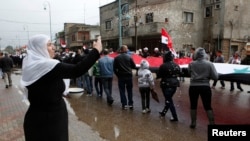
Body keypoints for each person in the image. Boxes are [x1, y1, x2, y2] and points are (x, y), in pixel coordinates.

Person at [20, 34, 102, 141]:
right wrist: (96, 50)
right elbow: (77, 70)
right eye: (49, 45)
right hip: (51, 121)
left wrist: (60, 93)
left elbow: (44, 88)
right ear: (39, 48)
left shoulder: (30, 65)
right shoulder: (47, 65)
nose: (54, 47)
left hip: (35, 117)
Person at [188, 47, 218, 129]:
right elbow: (215, 77)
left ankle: (193, 123)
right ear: (205, 54)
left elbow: (188, 73)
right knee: (207, 106)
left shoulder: (191, 64)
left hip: (193, 87)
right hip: (205, 87)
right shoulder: (210, 64)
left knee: (193, 105)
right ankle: (212, 123)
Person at [157, 51, 180, 121]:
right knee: (168, 99)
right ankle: (164, 112)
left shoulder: (163, 65)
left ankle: (174, 116)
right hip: (174, 84)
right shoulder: (176, 65)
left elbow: (159, 75)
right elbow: (179, 73)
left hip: (166, 84)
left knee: (169, 100)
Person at [114, 45, 136, 110]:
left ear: (121, 50)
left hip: (121, 76)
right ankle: (131, 104)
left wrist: (118, 75)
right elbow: (134, 66)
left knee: (122, 90)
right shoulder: (129, 57)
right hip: (129, 75)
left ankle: (124, 104)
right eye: (126, 48)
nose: (127, 49)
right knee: (129, 90)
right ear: (125, 50)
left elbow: (114, 69)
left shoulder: (117, 58)